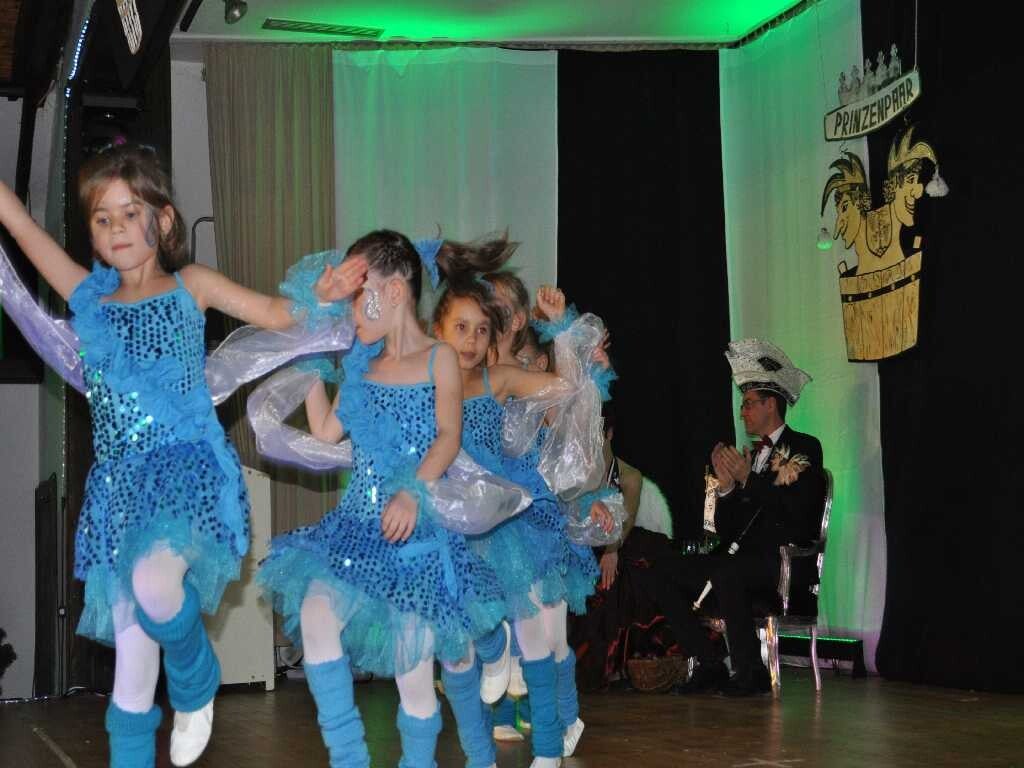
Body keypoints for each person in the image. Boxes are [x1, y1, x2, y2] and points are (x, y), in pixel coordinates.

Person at [0, 143, 364, 767]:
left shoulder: (191, 285)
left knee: (154, 583)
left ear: (164, 220)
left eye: (130, 213)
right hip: (119, 491)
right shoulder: (88, 298)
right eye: (102, 219)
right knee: (132, 664)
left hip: (186, 470)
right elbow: (21, 225)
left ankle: (195, 676)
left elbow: (274, 314)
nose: (116, 228)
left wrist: (321, 293)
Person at [256, 230, 515, 768]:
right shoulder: (360, 364)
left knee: (421, 678)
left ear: (394, 292)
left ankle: (479, 753)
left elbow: (448, 435)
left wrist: (413, 491)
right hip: (357, 530)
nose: (348, 309)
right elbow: (326, 430)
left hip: (415, 538)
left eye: (357, 294)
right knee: (316, 613)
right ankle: (349, 758)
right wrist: (313, 358)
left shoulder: (439, 359)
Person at [645, 339, 823, 696]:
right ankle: (709, 662)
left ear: (771, 404)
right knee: (662, 571)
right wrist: (726, 488)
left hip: (779, 562)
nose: (742, 412)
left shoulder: (804, 447)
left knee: (728, 571)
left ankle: (750, 671)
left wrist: (748, 479)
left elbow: (795, 514)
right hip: (741, 560)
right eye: (742, 405)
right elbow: (728, 531)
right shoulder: (750, 456)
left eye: (748, 404)